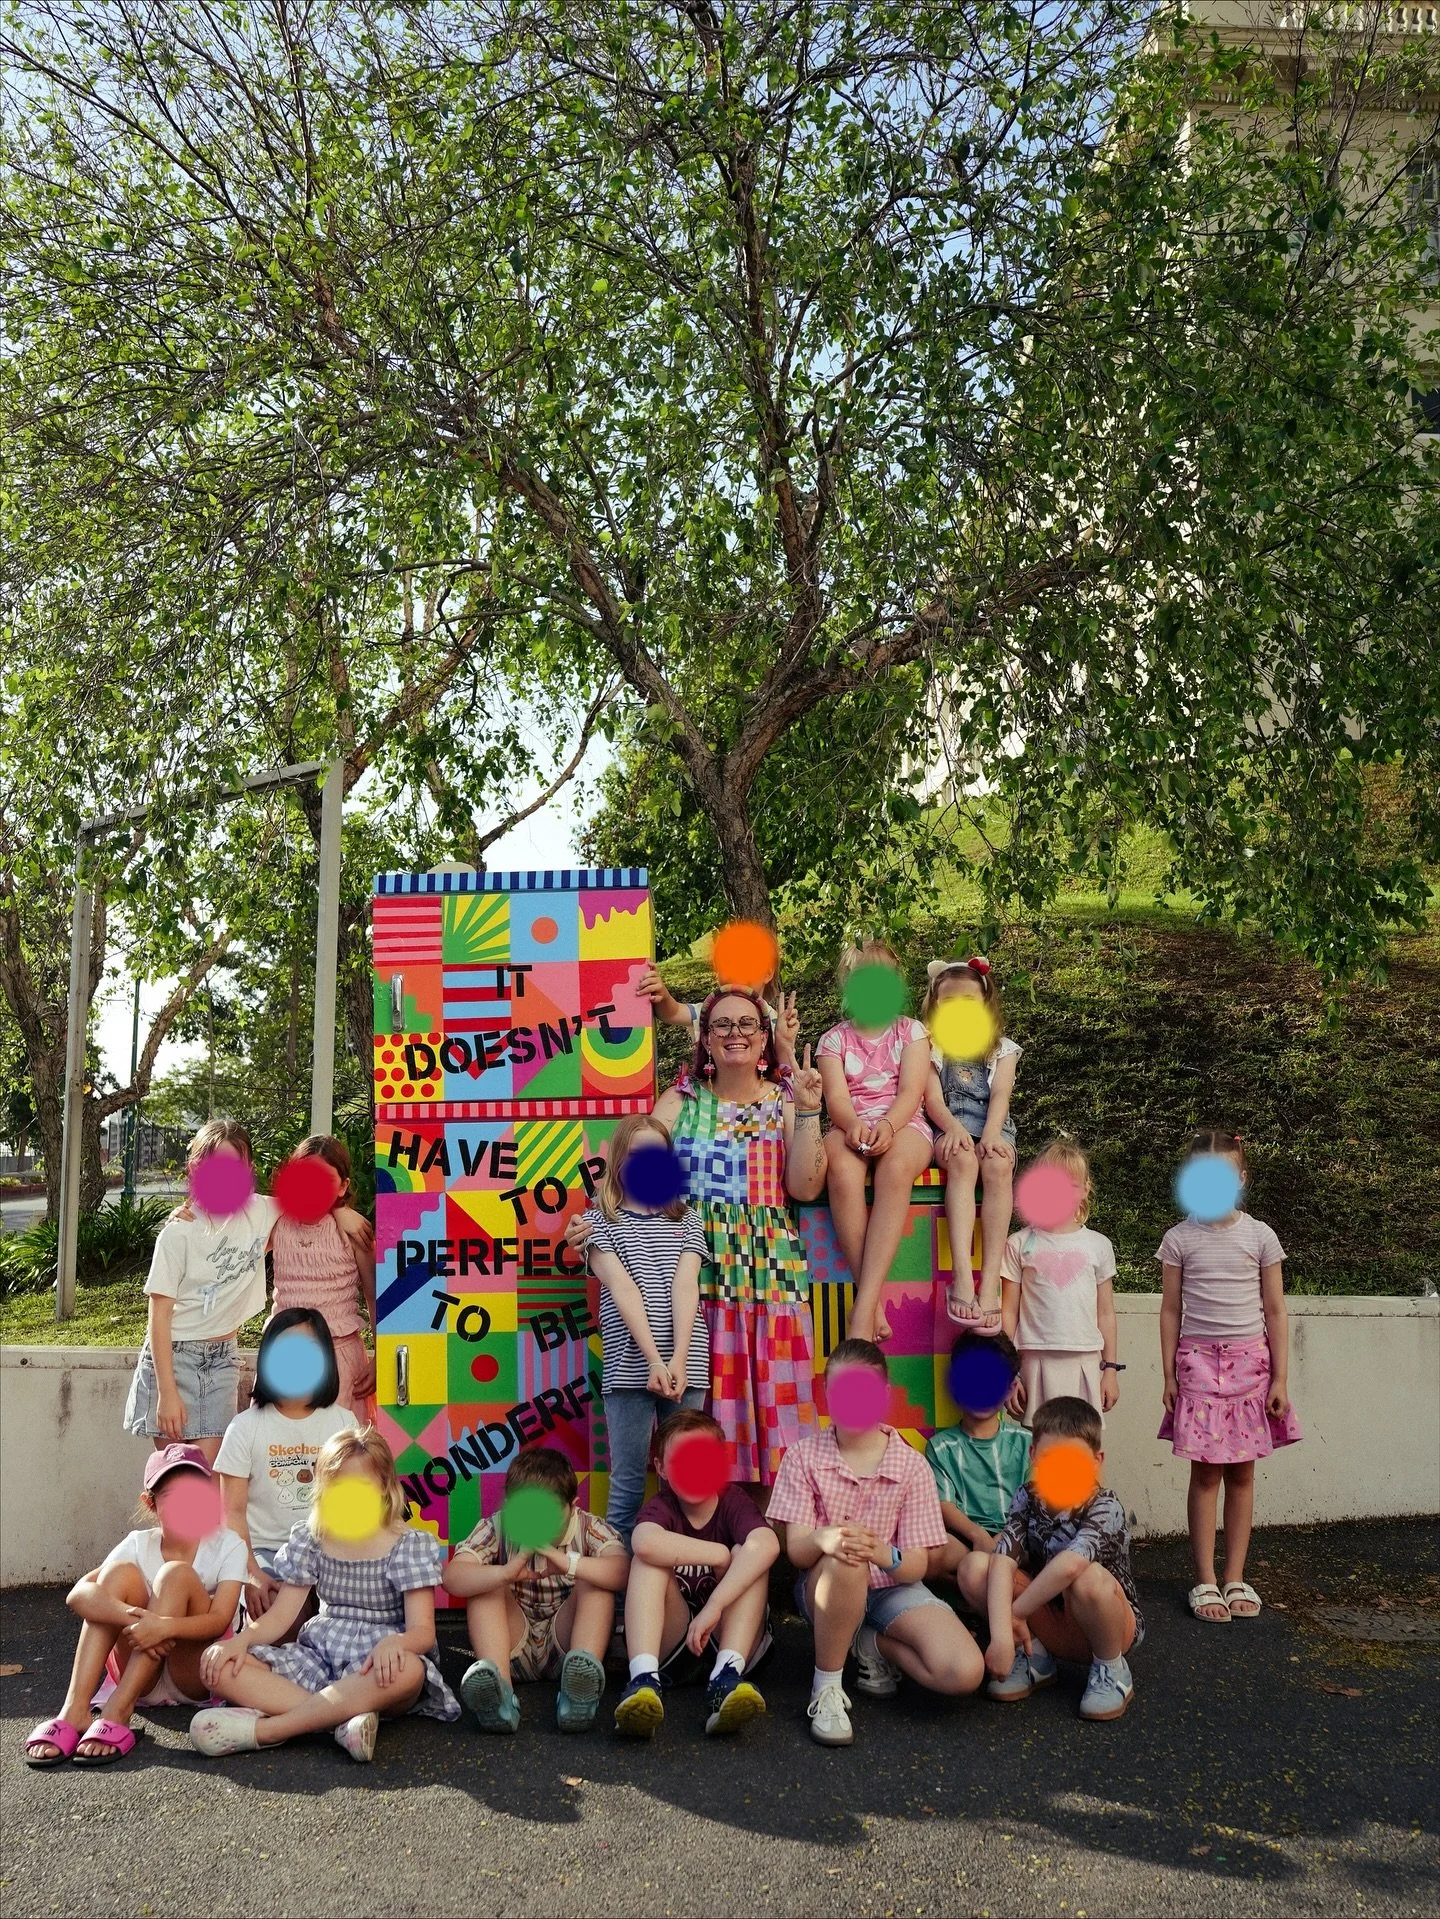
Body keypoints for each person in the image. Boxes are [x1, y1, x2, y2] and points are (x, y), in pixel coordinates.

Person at [569, 988, 826, 1486]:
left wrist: (812, 1111)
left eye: (747, 1024)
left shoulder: (786, 1100)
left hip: (766, 1270)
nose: (735, 1034)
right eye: (722, 1025)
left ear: (765, 1037)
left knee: (773, 1408)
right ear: (704, 1039)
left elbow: (805, 1186)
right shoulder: (682, 1099)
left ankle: (767, 1544)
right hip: (690, 1270)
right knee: (700, 1415)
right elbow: (633, 1164)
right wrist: (594, 1217)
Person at [189, 1428, 458, 1761]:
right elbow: (280, 1617)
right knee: (224, 1668)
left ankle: (270, 1730)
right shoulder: (313, 1538)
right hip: (320, 1655)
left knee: (410, 1672)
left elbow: (422, 1631)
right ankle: (342, 1723)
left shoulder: (408, 1545)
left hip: (378, 1665)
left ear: (386, 1488)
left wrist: (397, 1643)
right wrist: (238, 1642)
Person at [768, 1339, 984, 1747]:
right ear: (826, 1394)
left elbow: (917, 1565)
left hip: (894, 1589)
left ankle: (873, 1644)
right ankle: (827, 1687)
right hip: (825, 1590)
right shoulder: (802, 1457)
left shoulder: (911, 1465)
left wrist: (884, 1554)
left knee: (963, 1671)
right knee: (848, 1553)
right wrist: (826, 1538)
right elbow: (795, 1552)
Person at [24, 1444, 246, 1767]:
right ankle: (75, 1709)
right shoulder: (138, 1545)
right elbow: (78, 1595)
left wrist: (164, 1626)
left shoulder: (227, 1545)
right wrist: (138, 1620)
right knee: (115, 1578)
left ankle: (119, 1709)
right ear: (151, 1504)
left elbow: (220, 1618)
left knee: (176, 1576)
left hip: (194, 1673)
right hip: (142, 1675)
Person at [1158, 1130, 1301, 1624]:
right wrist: (1169, 1374)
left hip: (1250, 1366)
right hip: (1197, 1365)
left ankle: (1235, 1575)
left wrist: (1281, 1378)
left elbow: (1277, 1311)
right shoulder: (1178, 1239)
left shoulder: (1261, 1236)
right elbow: (1171, 1310)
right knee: (1205, 1472)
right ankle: (1204, 1580)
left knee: (1242, 1472)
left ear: (1241, 1179)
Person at [580, 1112, 710, 1545]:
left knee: (686, 1484)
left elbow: (685, 1284)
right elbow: (621, 1288)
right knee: (628, 1484)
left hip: (685, 1363)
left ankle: (681, 1583)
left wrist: (677, 1359)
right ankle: (620, 1597)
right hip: (629, 1366)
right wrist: (654, 1359)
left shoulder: (688, 1219)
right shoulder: (599, 1222)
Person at [613, 1408, 781, 1740]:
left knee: (749, 1556)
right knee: (647, 1561)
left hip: (729, 1638)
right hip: (674, 1645)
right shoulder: (662, 1507)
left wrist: (715, 1605)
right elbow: (643, 1541)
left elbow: (769, 1545)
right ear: (661, 1468)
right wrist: (718, 1554)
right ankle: (644, 1680)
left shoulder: (733, 1502)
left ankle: (726, 1678)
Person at [443, 1447, 629, 1735]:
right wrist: (504, 1572)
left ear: (573, 1506)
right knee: (484, 1583)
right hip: (510, 1647)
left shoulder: (588, 1526)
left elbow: (621, 1572)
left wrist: (568, 1563)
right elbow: (453, 1578)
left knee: (596, 1579)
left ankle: (578, 1694)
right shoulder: (499, 1525)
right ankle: (499, 1693)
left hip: (567, 1648)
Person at [123, 1120, 278, 1464]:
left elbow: (313, 1206)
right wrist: (167, 1393)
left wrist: (345, 1216)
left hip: (223, 1359)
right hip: (174, 1360)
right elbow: (159, 1316)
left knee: (210, 1476)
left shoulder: (262, 1211)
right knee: (182, 1480)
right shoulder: (178, 1234)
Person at [985, 1395, 1145, 1721]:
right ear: (1033, 1455)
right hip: (1049, 1615)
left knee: (1087, 1577)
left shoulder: (1105, 1506)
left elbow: (1071, 1563)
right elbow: (1004, 1557)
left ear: (1097, 1461)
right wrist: (1002, 1634)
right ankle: (1033, 1655)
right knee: (978, 1567)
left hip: (1105, 1622)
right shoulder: (1028, 1495)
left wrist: (1012, 1613)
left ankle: (1111, 1668)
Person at [816, 941, 935, 1346]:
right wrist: (851, 1127)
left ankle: (861, 1310)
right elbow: (836, 1100)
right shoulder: (834, 1041)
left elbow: (912, 1093)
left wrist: (888, 1124)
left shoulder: (911, 1032)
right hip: (850, 1126)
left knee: (896, 1169)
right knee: (841, 1169)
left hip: (904, 1124)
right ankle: (872, 1305)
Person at [215, 1308, 358, 1622]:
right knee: (280, 1621)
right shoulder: (244, 1428)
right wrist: (250, 1573)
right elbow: (232, 1513)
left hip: (329, 1554)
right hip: (264, 1557)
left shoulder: (343, 1424)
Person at [922, 957, 1020, 1327]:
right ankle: (963, 1274)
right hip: (948, 1125)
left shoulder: (1001, 1048)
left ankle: (990, 1279)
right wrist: (951, 1128)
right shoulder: (931, 1045)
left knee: (997, 1166)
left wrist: (993, 1134)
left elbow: (1001, 1097)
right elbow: (932, 1097)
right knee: (963, 1162)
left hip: (993, 1124)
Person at [1001, 1138, 1121, 1424]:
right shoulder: (1019, 1244)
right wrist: (1009, 1373)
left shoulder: (1099, 1245)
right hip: (1033, 1363)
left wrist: (1111, 1369)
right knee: (1038, 1452)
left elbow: (1105, 1313)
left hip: (1086, 1362)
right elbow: (1008, 1311)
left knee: (1081, 1447)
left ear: (1085, 1189)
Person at [269, 1135, 378, 1422]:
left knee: (339, 1453)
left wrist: (380, 1357)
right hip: (284, 1357)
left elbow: (375, 1295)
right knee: (282, 1452)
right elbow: (231, 1224)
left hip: (340, 1358)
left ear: (343, 1186)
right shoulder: (275, 1223)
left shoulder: (353, 1233)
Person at [925, 1331, 1031, 1612]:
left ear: (1009, 1388)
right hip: (966, 1541)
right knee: (929, 1551)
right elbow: (943, 1502)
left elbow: (1035, 1502)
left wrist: (1004, 1538)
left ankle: (986, 1603)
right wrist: (976, 1535)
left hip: (1018, 1539)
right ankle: (979, 1596)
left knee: (985, 1566)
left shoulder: (1025, 1443)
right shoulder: (941, 1446)